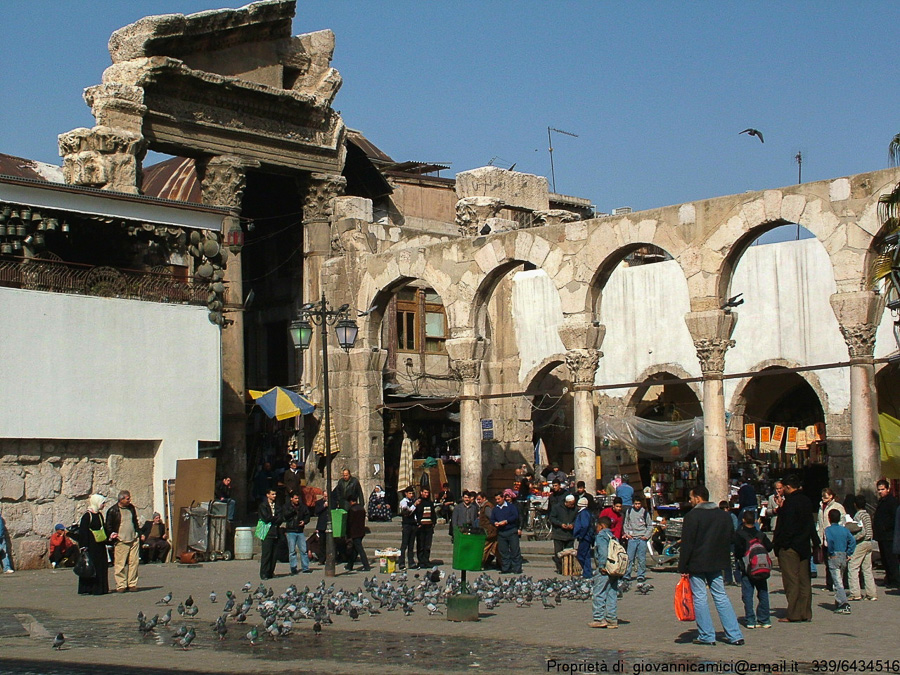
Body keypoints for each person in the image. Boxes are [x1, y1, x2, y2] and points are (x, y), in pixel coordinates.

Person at [678, 485, 744, 646]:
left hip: (697, 562)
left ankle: (707, 635)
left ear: (698, 498)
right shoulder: (724, 516)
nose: (689, 500)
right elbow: (730, 538)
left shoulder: (692, 517)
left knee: (700, 598)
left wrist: (682, 566)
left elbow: (687, 544)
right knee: (721, 596)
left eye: (691, 497)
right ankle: (735, 635)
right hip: (717, 562)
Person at [773, 475, 817, 622]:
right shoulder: (806, 501)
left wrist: (781, 544)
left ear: (788, 487)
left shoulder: (791, 502)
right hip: (804, 545)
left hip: (790, 547)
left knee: (792, 581)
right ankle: (805, 612)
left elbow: (788, 525)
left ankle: (793, 613)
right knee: (805, 581)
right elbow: (810, 522)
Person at [733, 510, 772, 629]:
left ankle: (750, 620)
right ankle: (765, 619)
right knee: (763, 593)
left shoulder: (739, 534)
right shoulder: (760, 534)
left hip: (747, 569)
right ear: (755, 520)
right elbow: (769, 547)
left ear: (743, 520)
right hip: (761, 569)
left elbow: (738, 552)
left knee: (748, 595)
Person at [105, 490, 141, 593]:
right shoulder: (113, 510)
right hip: (121, 540)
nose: (130, 500)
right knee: (120, 564)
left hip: (133, 538)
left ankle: (132, 583)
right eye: (128, 498)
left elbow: (135, 521)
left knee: (134, 562)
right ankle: (121, 584)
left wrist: (138, 533)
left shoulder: (131, 508)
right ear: (121, 499)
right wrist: (113, 535)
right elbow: (109, 525)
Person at [588, 516, 619, 628]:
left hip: (605, 568)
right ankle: (612, 619)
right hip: (614, 568)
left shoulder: (601, 536)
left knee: (599, 592)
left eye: (597, 526)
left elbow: (603, 552)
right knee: (611, 593)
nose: (596, 528)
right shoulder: (613, 536)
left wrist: (601, 566)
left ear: (601, 526)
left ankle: (599, 618)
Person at [845, 494, 877, 601]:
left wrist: (854, 538)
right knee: (867, 569)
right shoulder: (867, 515)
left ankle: (855, 593)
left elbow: (862, 531)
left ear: (855, 505)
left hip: (861, 543)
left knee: (853, 567)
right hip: (869, 542)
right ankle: (871, 593)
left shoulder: (858, 516)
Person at [76, 494, 109, 595]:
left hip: (100, 546)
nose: (104, 505)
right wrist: (84, 547)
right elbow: (83, 532)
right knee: (90, 567)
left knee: (101, 567)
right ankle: (88, 588)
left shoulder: (99, 515)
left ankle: (100, 588)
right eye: (102, 503)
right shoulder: (87, 516)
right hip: (91, 546)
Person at [824, 508, 855, 614]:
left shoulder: (828, 530)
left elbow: (830, 541)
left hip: (834, 555)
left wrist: (831, 552)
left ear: (829, 518)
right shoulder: (844, 529)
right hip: (843, 554)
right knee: (839, 578)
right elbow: (852, 540)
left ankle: (844, 604)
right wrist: (849, 552)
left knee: (837, 582)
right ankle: (838, 601)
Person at [816, 487, 845, 591]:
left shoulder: (838, 507)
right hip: (823, 537)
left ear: (831, 496)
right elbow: (819, 522)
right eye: (822, 496)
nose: (823, 498)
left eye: (825, 496)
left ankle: (837, 584)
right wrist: (819, 534)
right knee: (827, 563)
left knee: (835, 562)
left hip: (833, 537)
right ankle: (829, 584)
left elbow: (842, 521)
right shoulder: (821, 507)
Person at [873, 479, 899, 587]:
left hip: (889, 536)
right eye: (879, 490)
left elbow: (894, 518)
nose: (880, 492)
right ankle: (889, 578)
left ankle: (895, 580)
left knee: (891, 559)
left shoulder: (891, 501)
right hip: (882, 536)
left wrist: (885, 527)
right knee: (884, 559)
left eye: (882, 489)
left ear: (888, 489)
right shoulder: (881, 501)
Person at [491, 491, 522, 574]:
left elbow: (515, 516)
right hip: (501, 532)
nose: (497, 501)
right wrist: (495, 523)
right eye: (496, 499)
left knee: (515, 551)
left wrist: (506, 521)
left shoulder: (511, 507)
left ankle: (517, 568)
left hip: (511, 531)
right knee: (503, 552)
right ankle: (505, 568)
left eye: (498, 499)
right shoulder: (495, 509)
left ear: (503, 498)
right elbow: (492, 519)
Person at [623, 495, 652, 582]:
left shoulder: (644, 512)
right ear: (633, 504)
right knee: (629, 558)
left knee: (641, 558)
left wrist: (646, 536)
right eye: (636, 504)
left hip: (641, 538)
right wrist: (627, 534)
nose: (637, 506)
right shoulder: (629, 511)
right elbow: (626, 524)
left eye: (639, 504)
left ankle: (641, 575)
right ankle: (627, 575)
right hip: (632, 538)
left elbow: (650, 526)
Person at [282, 491, 311, 574]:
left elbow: (307, 515)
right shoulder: (287, 506)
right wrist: (293, 511)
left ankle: (305, 567)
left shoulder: (302, 507)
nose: (297, 500)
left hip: (300, 530)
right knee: (292, 551)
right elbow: (285, 516)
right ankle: (293, 567)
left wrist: (304, 522)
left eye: (298, 498)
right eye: (295, 498)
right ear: (291, 499)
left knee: (303, 550)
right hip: (291, 530)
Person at [257, 488, 282, 580]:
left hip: (275, 531)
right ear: (268, 495)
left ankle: (271, 572)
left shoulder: (277, 506)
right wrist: (274, 518)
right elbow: (266, 518)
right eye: (272, 494)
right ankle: (264, 573)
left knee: (274, 554)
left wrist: (274, 518)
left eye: (275, 494)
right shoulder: (263, 506)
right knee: (266, 554)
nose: (274, 496)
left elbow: (280, 518)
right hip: (266, 531)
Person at [550, 494, 577, 574]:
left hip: (570, 534)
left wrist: (573, 524)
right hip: (559, 533)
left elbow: (577, 518)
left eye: (573, 504)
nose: (572, 505)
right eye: (571, 504)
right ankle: (560, 569)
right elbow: (552, 518)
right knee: (558, 553)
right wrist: (560, 524)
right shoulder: (557, 507)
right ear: (567, 502)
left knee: (569, 552)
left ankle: (569, 568)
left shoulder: (575, 509)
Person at [344, 495, 371, 572]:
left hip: (354, 532)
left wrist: (347, 533)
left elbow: (349, 522)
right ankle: (350, 565)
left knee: (360, 549)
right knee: (354, 550)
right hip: (361, 531)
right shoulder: (361, 509)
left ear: (351, 502)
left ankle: (366, 565)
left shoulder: (352, 510)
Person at [573, 496, 595, 579]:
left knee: (581, 555)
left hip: (585, 537)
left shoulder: (583, 513)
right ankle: (587, 573)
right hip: (587, 537)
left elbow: (585, 525)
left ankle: (587, 572)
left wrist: (581, 535)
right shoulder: (587, 512)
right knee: (586, 555)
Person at [476, 492, 499, 569]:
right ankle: (504, 564)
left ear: (484, 498)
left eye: (479, 499)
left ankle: (479, 564)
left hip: (489, 532)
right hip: (490, 531)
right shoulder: (484, 506)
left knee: (484, 549)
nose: (478, 501)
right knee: (496, 549)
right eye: (477, 499)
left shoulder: (487, 507)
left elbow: (491, 517)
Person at [414, 487, 435, 568]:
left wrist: (433, 523)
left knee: (427, 545)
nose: (426, 494)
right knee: (420, 545)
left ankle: (426, 560)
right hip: (421, 526)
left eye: (427, 493)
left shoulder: (430, 502)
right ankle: (421, 561)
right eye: (425, 492)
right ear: (421, 492)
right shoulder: (418, 502)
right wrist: (418, 523)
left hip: (429, 526)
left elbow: (433, 514)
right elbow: (416, 513)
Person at [398, 487, 418, 570]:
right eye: (410, 493)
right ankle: (401, 562)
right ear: (406, 494)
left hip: (413, 524)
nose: (411, 495)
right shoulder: (403, 502)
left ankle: (411, 562)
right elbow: (407, 512)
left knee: (411, 545)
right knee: (404, 544)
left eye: (412, 493)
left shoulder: (413, 501)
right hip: (406, 525)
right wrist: (414, 505)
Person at [0, 509, 11, 573]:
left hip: (1, 537)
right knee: (4, 552)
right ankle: (7, 567)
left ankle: (7, 567)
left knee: (4, 552)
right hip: (1, 537)